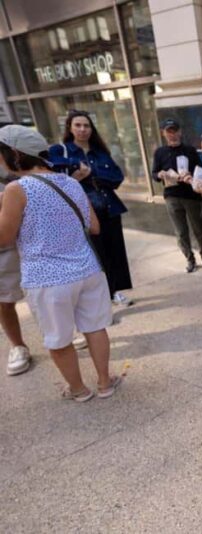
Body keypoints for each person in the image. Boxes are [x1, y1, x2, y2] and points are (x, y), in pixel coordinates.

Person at [0, 125, 122, 401]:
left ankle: (78, 389)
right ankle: (105, 382)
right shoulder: (71, 182)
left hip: (47, 278)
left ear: (15, 154)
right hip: (87, 269)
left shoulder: (16, 189)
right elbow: (94, 227)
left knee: (58, 339)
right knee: (95, 327)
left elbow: (4, 237)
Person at [47, 110, 133, 308]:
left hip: (109, 208)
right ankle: (101, 295)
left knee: (114, 252)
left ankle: (114, 291)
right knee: (95, 255)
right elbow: (54, 168)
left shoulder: (100, 152)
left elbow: (116, 177)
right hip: (84, 211)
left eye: (86, 126)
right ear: (70, 127)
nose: (83, 129)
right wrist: (76, 172)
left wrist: (92, 174)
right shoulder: (62, 151)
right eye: (78, 125)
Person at [151, 119, 202, 273]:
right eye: (168, 131)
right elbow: (154, 174)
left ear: (180, 132)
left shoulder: (190, 150)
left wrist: (191, 175)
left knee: (199, 229)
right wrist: (160, 174)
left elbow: (200, 171)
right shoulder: (160, 152)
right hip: (171, 196)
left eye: (174, 131)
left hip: (191, 195)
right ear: (164, 133)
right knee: (180, 232)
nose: (172, 134)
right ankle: (190, 259)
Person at [0, 172, 31, 376]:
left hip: (31, 240)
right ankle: (18, 346)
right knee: (4, 300)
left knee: (47, 293)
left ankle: (62, 336)